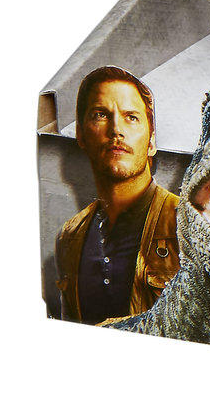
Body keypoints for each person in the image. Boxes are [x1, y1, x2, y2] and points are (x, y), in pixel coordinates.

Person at [52, 66, 179, 324]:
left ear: (152, 141)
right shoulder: (69, 236)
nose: (116, 130)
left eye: (131, 117)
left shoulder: (187, 226)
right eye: (100, 115)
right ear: (80, 135)